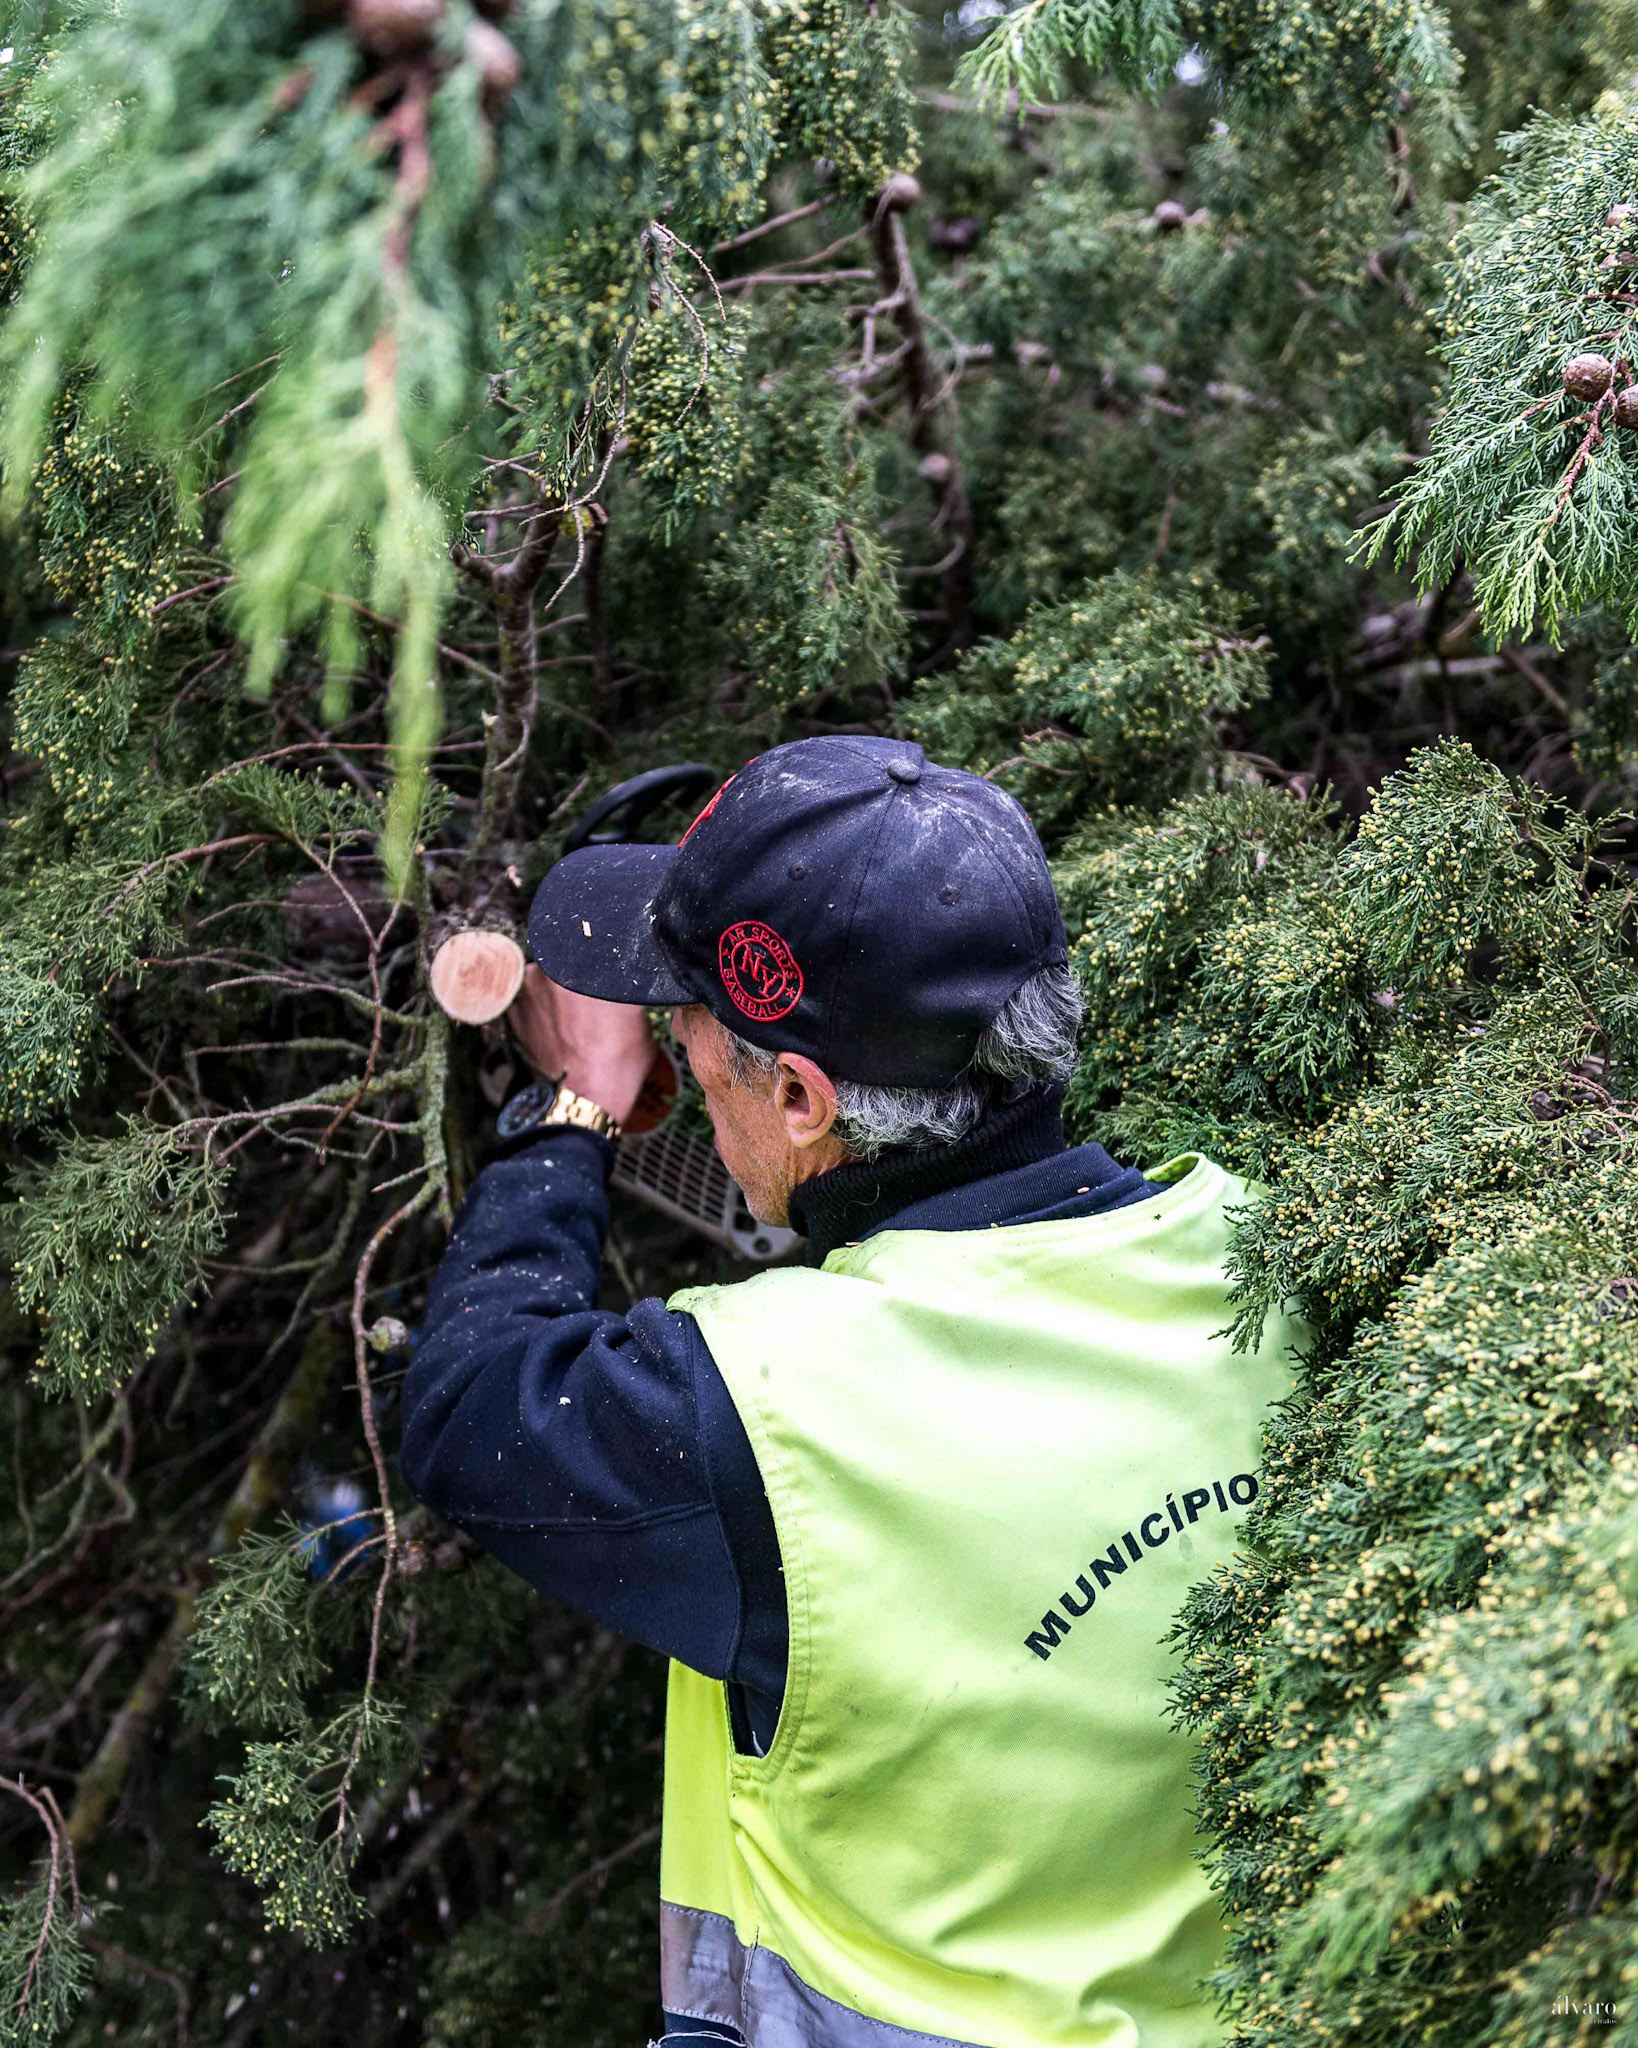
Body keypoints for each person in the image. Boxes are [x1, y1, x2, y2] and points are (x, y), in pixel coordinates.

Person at [401, 736, 1299, 2048]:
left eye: (689, 1027)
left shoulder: (768, 1406)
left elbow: (472, 1404)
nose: (685, 1062)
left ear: (805, 1095)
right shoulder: (1266, 1248)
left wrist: (575, 1114)